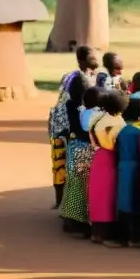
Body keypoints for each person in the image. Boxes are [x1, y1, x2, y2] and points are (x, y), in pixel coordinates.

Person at [48, 46, 99, 207]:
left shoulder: (95, 77)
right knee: (61, 163)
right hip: (65, 125)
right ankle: (60, 201)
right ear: (81, 61)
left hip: (77, 124)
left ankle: (69, 205)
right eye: (92, 56)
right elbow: (70, 102)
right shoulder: (75, 78)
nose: (96, 59)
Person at [88, 91, 127, 246]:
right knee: (109, 196)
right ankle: (107, 236)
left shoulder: (97, 117)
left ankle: (96, 233)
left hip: (98, 156)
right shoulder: (117, 122)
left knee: (97, 195)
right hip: (111, 158)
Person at [59, 73, 94, 235]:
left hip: (73, 147)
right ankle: (82, 222)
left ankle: (70, 220)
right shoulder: (88, 108)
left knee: (74, 184)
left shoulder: (68, 105)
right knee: (85, 186)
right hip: (86, 147)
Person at [116, 87, 140, 248]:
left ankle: (123, 237)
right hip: (136, 168)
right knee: (135, 202)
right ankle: (136, 238)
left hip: (122, 167)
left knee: (123, 202)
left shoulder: (122, 130)